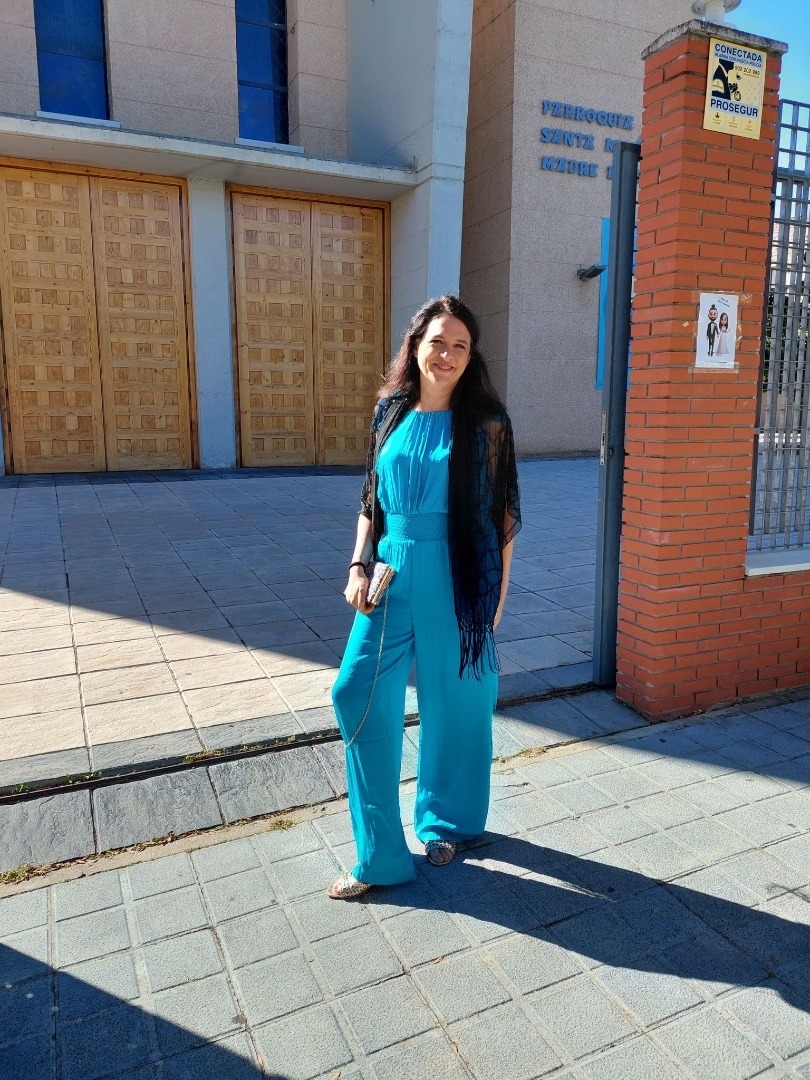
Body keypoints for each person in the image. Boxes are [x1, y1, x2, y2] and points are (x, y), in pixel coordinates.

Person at [328, 294, 521, 899]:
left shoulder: (487, 423)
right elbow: (371, 501)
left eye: (460, 345)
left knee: (458, 700)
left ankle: (448, 822)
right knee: (354, 691)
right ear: (415, 346)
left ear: (471, 355)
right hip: (393, 572)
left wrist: (496, 597)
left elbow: (502, 515)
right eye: (438, 341)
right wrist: (357, 563)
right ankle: (381, 855)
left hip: (459, 574)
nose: (448, 354)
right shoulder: (389, 412)